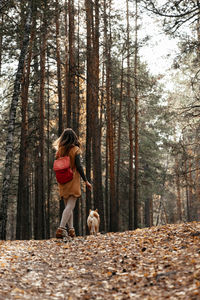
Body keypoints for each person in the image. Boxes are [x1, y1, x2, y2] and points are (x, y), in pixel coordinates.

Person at [53, 128, 92, 239]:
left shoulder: (59, 150)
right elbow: (79, 166)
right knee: (70, 206)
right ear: (74, 137)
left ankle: (71, 230)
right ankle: (61, 228)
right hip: (72, 179)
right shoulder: (75, 150)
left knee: (68, 207)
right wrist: (86, 180)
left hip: (62, 180)